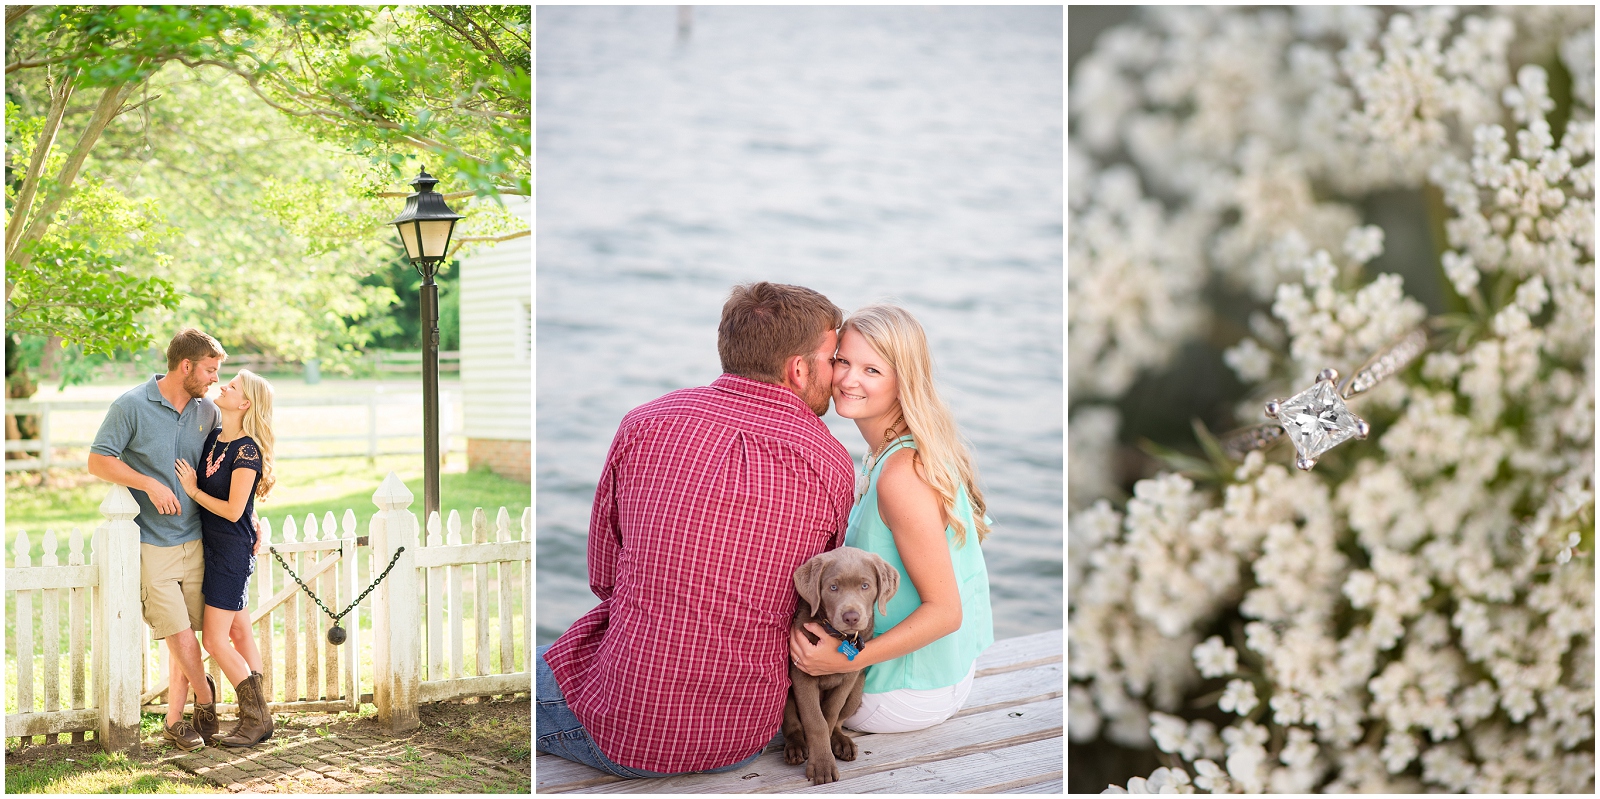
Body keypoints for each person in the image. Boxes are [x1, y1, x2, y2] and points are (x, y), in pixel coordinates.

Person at [538, 282, 856, 777]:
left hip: (622, 730)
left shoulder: (645, 423)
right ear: (798, 369)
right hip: (743, 734)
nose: (838, 374)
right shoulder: (831, 462)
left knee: (525, 674)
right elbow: (813, 601)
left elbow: (604, 579)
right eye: (833, 359)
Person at [789, 303, 994, 733]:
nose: (848, 379)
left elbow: (946, 613)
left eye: (872, 370)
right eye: (843, 361)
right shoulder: (896, 451)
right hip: (938, 673)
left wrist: (845, 658)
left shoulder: (902, 475)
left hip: (903, 690)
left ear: (904, 382)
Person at [88, 329, 226, 750]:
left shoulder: (208, 411)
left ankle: (174, 721)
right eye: (209, 370)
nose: (214, 379)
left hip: (198, 538)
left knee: (187, 634)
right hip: (153, 541)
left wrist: (248, 515)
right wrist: (148, 483)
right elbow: (98, 460)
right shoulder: (130, 405)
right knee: (176, 630)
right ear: (186, 366)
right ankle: (206, 698)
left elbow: (223, 468)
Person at [175, 369, 275, 747]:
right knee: (239, 632)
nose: (223, 385)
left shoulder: (247, 450)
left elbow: (234, 511)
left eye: (232, 386)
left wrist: (192, 491)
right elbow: (243, 505)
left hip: (231, 552)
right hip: (213, 547)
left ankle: (256, 719)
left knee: (215, 642)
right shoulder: (216, 436)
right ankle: (260, 716)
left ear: (245, 403)